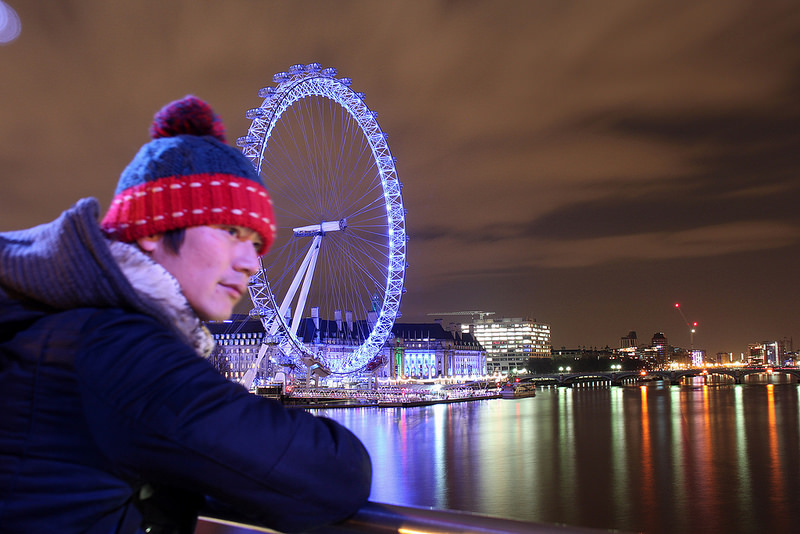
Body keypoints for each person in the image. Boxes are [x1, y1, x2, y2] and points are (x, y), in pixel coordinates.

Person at [0, 96, 372, 533]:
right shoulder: (117, 348)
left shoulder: (63, 321)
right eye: (229, 231)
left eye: (256, 243)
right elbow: (333, 475)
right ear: (152, 231)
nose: (251, 262)